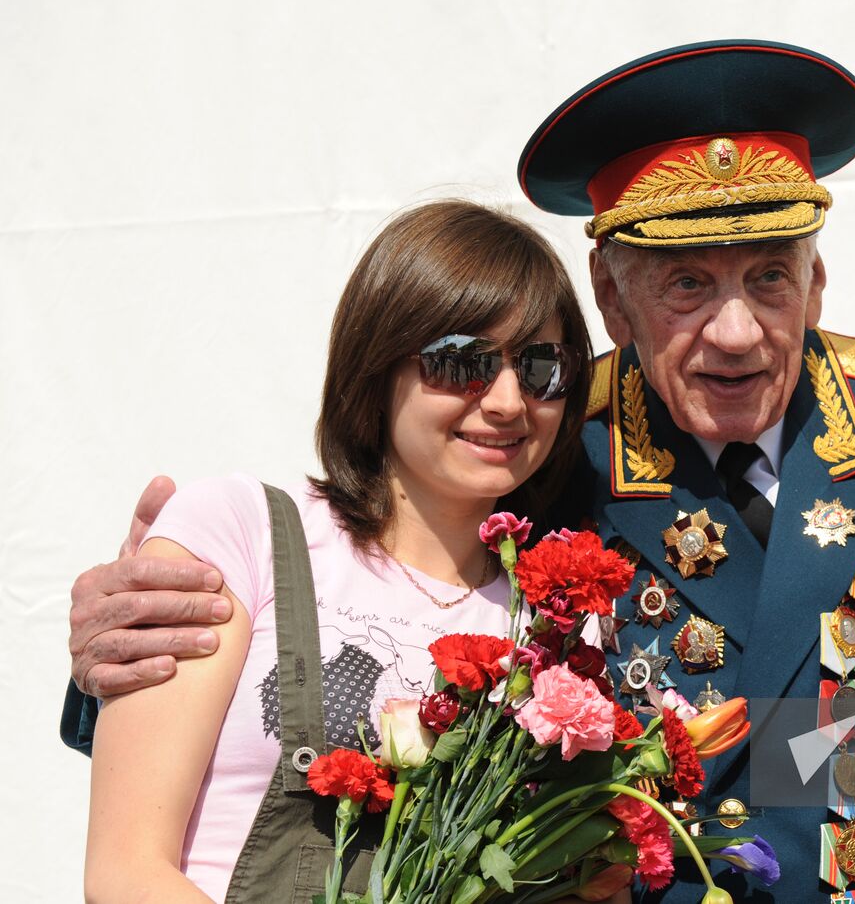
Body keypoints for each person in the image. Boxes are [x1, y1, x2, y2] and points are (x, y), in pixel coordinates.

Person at [64, 43, 855, 901]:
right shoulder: (540, 442)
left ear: (820, 275)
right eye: (686, 284)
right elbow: (369, 583)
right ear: (611, 295)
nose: (738, 327)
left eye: (768, 277)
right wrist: (130, 638)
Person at [83, 199, 598, 902]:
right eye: (462, 361)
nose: (509, 399)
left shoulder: (557, 628)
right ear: (378, 365)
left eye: (543, 366)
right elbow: (125, 871)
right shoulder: (241, 529)